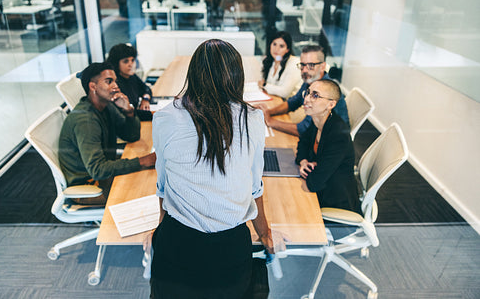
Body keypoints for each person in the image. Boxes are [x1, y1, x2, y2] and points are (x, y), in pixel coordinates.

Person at [147, 39, 278, 298]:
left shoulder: (164, 117)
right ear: (236, 76)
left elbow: (163, 184)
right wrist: (264, 232)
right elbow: (254, 186)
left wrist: (160, 229)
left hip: (177, 243)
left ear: (193, 73)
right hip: (229, 249)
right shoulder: (251, 118)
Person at [58, 62, 156, 204]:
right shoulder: (86, 121)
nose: (116, 86)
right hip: (88, 186)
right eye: (109, 82)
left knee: (150, 184)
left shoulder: (106, 106)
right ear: (93, 87)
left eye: (115, 81)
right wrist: (142, 161)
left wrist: (128, 111)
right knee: (145, 194)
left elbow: (131, 136)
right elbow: (97, 170)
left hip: (103, 174)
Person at [296, 79, 361, 214]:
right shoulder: (318, 120)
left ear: (331, 104)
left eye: (315, 95)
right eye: (307, 93)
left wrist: (312, 169)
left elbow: (314, 183)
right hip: (323, 188)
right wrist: (303, 162)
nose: (307, 99)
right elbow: (302, 143)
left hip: (335, 201)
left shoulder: (338, 134)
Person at [257, 45, 349, 137]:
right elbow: (293, 102)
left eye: (311, 65)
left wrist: (270, 122)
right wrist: (268, 112)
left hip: (331, 141)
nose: (304, 70)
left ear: (322, 66)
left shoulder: (325, 91)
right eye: (302, 65)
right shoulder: (311, 81)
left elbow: (304, 130)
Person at [107, 43, 153, 121]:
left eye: (132, 60)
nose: (131, 64)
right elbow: (126, 112)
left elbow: (146, 88)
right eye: (126, 61)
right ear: (116, 63)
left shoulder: (131, 77)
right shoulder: (114, 84)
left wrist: (145, 99)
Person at [259, 31, 302, 99]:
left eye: (281, 46)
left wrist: (264, 85)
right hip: (276, 99)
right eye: (274, 44)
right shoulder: (271, 61)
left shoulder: (294, 64)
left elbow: (284, 92)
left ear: (287, 49)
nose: (276, 49)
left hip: (291, 104)